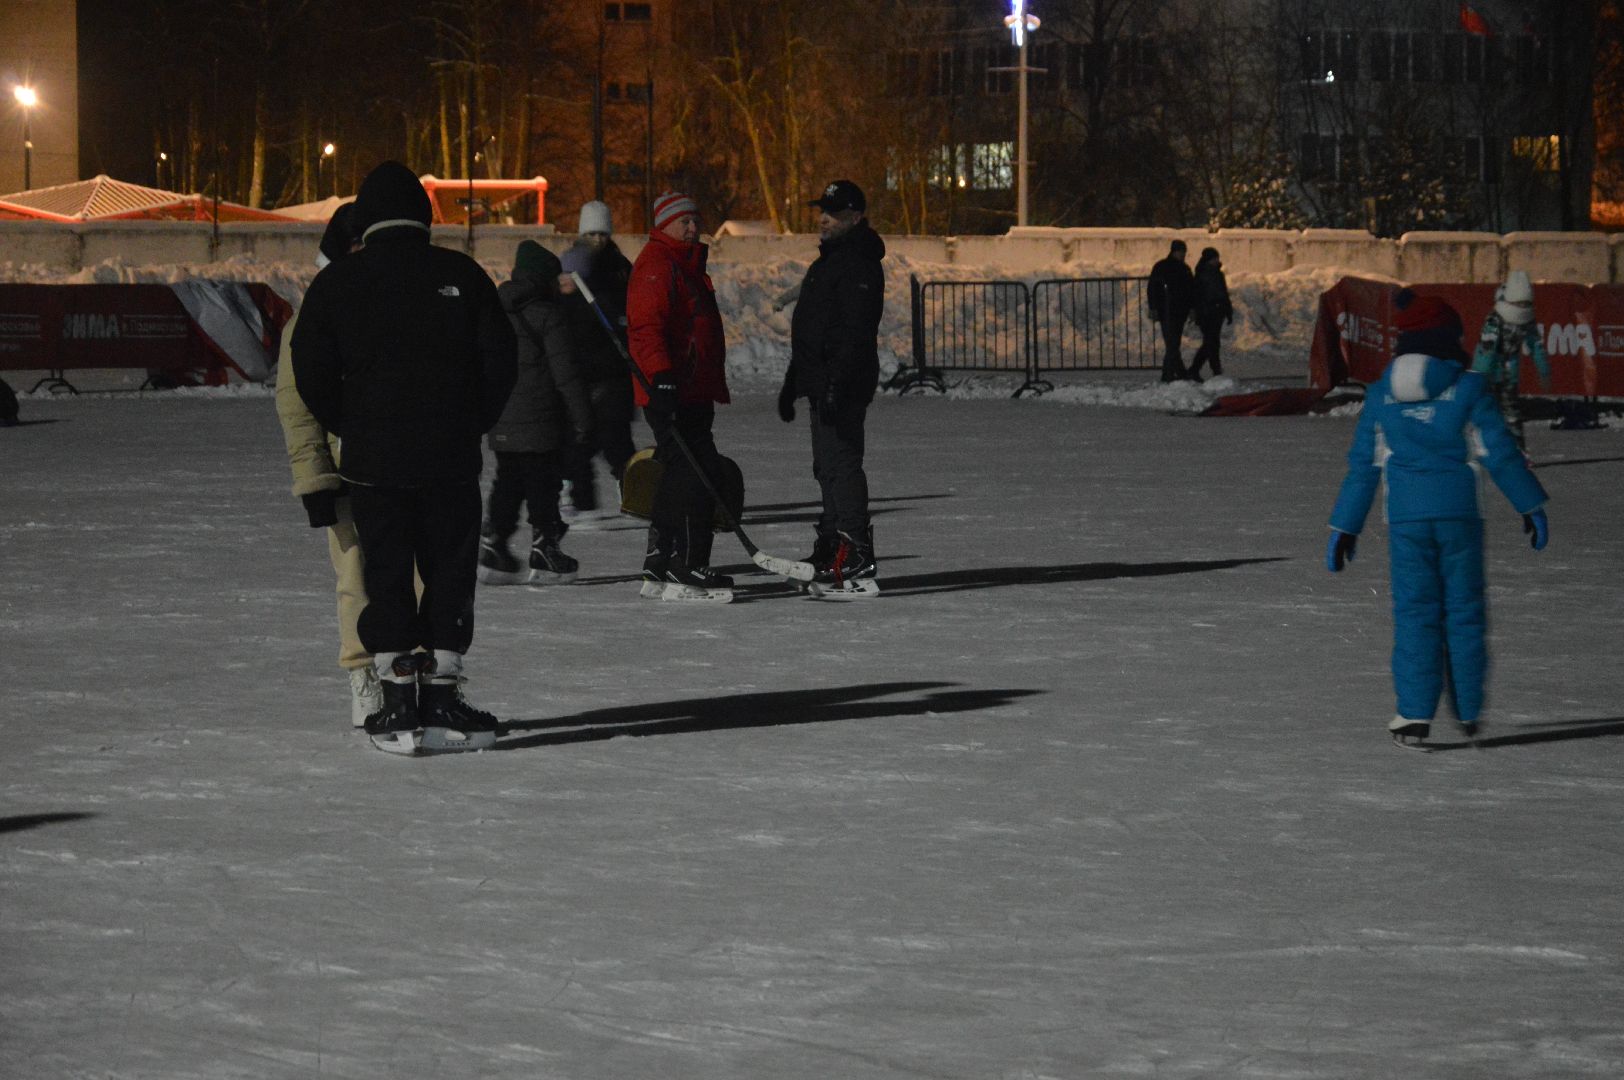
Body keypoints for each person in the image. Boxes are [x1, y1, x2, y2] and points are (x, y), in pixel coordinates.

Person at [292, 160, 517, 754]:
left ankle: (395, 696)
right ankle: (442, 689)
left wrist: (353, 425)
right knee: (449, 569)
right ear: (424, 215)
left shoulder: (337, 281)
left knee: (384, 573)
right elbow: (500, 363)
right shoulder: (462, 274)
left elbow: (308, 371)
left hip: (373, 462)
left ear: (365, 220)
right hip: (449, 459)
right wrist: (470, 423)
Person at [1325, 289, 1549, 747]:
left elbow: (1364, 467)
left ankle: (1413, 715)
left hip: (1407, 522)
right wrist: (1530, 505)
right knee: (1464, 613)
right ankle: (1467, 712)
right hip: (1458, 518)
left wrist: (1344, 527)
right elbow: (1499, 454)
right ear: (1449, 339)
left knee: (1414, 614)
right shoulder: (1468, 389)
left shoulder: (1382, 394)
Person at [274, 204, 382, 728]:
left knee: (417, 574)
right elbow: (295, 405)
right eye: (358, 245)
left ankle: (417, 673)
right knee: (356, 575)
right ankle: (363, 674)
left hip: (403, 465)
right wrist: (317, 479)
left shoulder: (399, 305)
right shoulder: (311, 317)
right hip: (344, 470)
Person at [626, 189, 738, 597]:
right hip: (672, 389)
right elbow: (646, 328)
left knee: (680, 471)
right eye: (683, 222)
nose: (692, 228)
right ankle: (687, 564)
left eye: (695, 220)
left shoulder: (684, 263)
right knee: (697, 471)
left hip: (690, 387)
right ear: (664, 225)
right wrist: (662, 377)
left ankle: (661, 561)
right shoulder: (659, 263)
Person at [778, 178, 884, 594]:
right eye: (821, 211)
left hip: (845, 382)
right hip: (821, 382)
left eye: (833, 213)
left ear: (854, 218)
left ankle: (856, 550)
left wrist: (837, 380)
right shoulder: (827, 262)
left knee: (841, 464)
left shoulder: (858, 262)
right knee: (825, 467)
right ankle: (831, 545)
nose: (823, 219)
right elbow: (811, 330)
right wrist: (794, 380)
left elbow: (854, 331)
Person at [479, 240, 593, 586]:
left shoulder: (495, 310)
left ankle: (495, 541)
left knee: (509, 480)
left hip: (501, 418)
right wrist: (583, 417)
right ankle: (545, 547)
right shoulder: (548, 315)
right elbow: (566, 374)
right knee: (543, 481)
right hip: (541, 417)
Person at [559, 201, 637, 522]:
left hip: (614, 365)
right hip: (582, 365)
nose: (598, 239)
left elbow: (630, 306)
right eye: (591, 233)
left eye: (603, 233)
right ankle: (578, 497)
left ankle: (633, 491)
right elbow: (565, 317)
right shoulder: (570, 269)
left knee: (616, 436)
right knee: (581, 436)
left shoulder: (620, 267)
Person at [1471, 269, 1550, 455]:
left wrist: (1544, 370)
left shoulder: (1527, 320)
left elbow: (1535, 345)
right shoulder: (1495, 320)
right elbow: (1486, 351)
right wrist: (1478, 377)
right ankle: (1486, 448)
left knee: (1512, 415)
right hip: (1489, 375)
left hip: (1509, 376)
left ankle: (1518, 452)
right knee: (1487, 413)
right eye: (1520, 304)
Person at [1147, 239, 1194, 382]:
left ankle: (1179, 373)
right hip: (1167, 310)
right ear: (1174, 251)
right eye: (1181, 251)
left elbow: (1190, 290)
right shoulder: (1167, 267)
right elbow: (1153, 289)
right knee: (1173, 344)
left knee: (1173, 343)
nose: (1183, 254)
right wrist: (1153, 307)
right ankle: (1169, 375)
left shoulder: (1174, 267)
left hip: (1175, 311)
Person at [1186, 246, 1233, 381]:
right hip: (1208, 312)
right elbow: (1198, 296)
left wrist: (1227, 310)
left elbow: (1223, 294)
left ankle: (1211, 370)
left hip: (1215, 312)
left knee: (1212, 342)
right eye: (1214, 258)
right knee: (1211, 343)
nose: (1217, 260)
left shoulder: (1214, 273)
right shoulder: (1205, 274)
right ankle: (1206, 369)